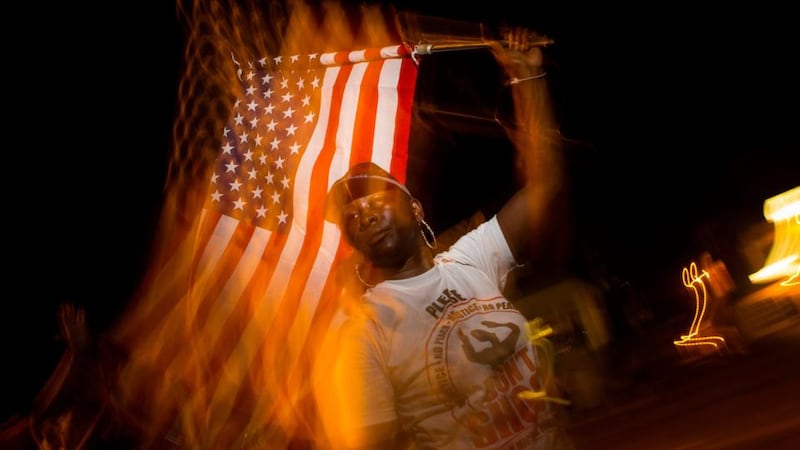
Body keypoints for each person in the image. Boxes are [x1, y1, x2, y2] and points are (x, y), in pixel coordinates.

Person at [319, 30, 574, 450]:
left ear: (415, 209)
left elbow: (545, 183)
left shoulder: (470, 260)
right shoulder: (363, 330)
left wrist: (526, 77)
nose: (366, 217)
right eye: (354, 218)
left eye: (376, 202)